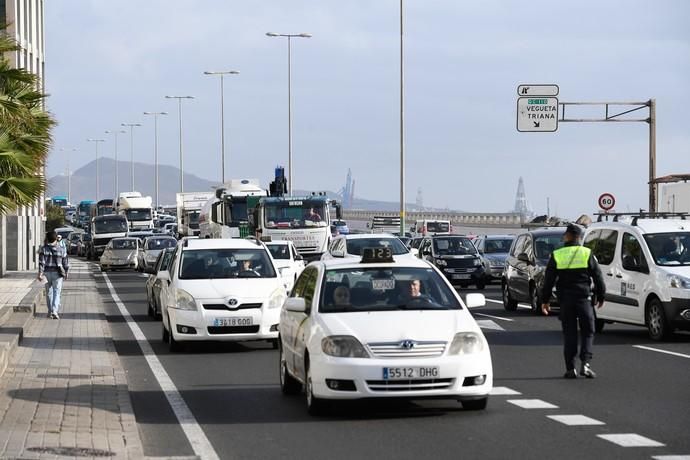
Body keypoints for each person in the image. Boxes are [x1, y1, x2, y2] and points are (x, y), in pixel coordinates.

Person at [541, 224, 606, 379]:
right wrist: (601, 295)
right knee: (588, 331)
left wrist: (545, 301)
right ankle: (586, 364)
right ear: (579, 237)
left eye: (565, 234)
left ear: (569, 236)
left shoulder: (557, 254)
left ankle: (570, 368)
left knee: (569, 333)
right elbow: (597, 276)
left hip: (565, 300)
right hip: (584, 298)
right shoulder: (586, 253)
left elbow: (548, 280)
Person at [38, 230, 70, 319]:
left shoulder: (43, 249)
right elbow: (65, 262)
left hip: (47, 273)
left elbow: (41, 263)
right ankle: (54, 311)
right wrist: (66, 272)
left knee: (49, 293)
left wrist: (40, 273)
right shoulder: (61, 249)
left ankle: (50, 311)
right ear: (56, 238)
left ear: (47, 239)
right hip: (57, 274)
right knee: (57, 292)